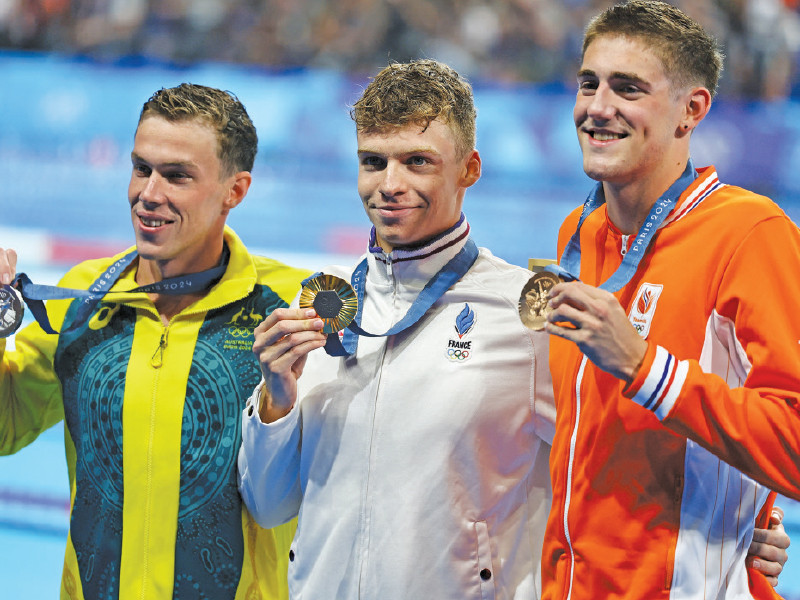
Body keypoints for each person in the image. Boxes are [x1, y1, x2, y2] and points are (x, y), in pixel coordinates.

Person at [237, 58, 557, 599]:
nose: (390, 184)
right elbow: (268, 506)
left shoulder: (526, 313)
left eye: (417, 162)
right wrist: (277, 397)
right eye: (373, 161)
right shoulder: (323, 301)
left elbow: (603, 477)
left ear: (469, 169)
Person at [0, 83, 309, 599]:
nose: (149, 194)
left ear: (236, 190)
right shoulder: (81, 301)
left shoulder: (287, 308)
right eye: (141, 168)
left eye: (177, 176)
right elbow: (5, 425)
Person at [541, 1, 796, 598]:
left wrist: (644, 366)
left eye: (627, 89)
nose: (598, 108)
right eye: (589, 83)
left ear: (692, 110)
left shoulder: (750, 233)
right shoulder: (579, 234)